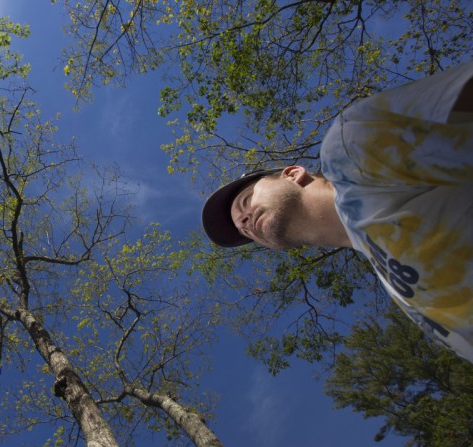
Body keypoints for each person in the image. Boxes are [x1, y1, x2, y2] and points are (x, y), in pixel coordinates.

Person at [202, 61, 473, 363]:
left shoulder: (351, 149)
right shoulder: (396, 287)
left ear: (292, 173)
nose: (242, 221)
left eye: (245, 201)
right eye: (241, 230)